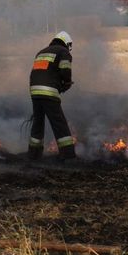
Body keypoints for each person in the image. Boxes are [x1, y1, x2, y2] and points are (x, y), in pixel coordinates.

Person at [27, 30, 77, 160]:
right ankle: (68, 155)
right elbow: (65, 70)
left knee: (38, 123)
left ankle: (34, 154)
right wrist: (66, 83)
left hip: (34, 91)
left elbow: (37, 73)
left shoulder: (41, 52)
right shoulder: (63, 52)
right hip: (48, 91)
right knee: (59, 122)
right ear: (67, 43)